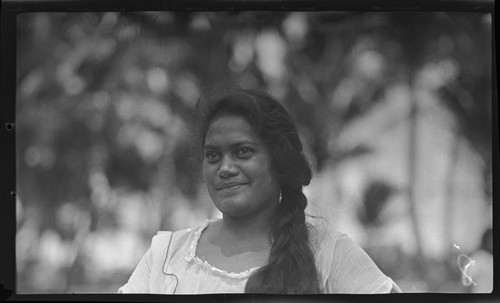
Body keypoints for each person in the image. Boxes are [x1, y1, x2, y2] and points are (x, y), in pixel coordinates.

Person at [118, 87, 402, 294]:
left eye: (242, 152)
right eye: (213, 156)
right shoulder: (166, 257)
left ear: (279, 161)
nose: (225, 167)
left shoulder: (327, 253)